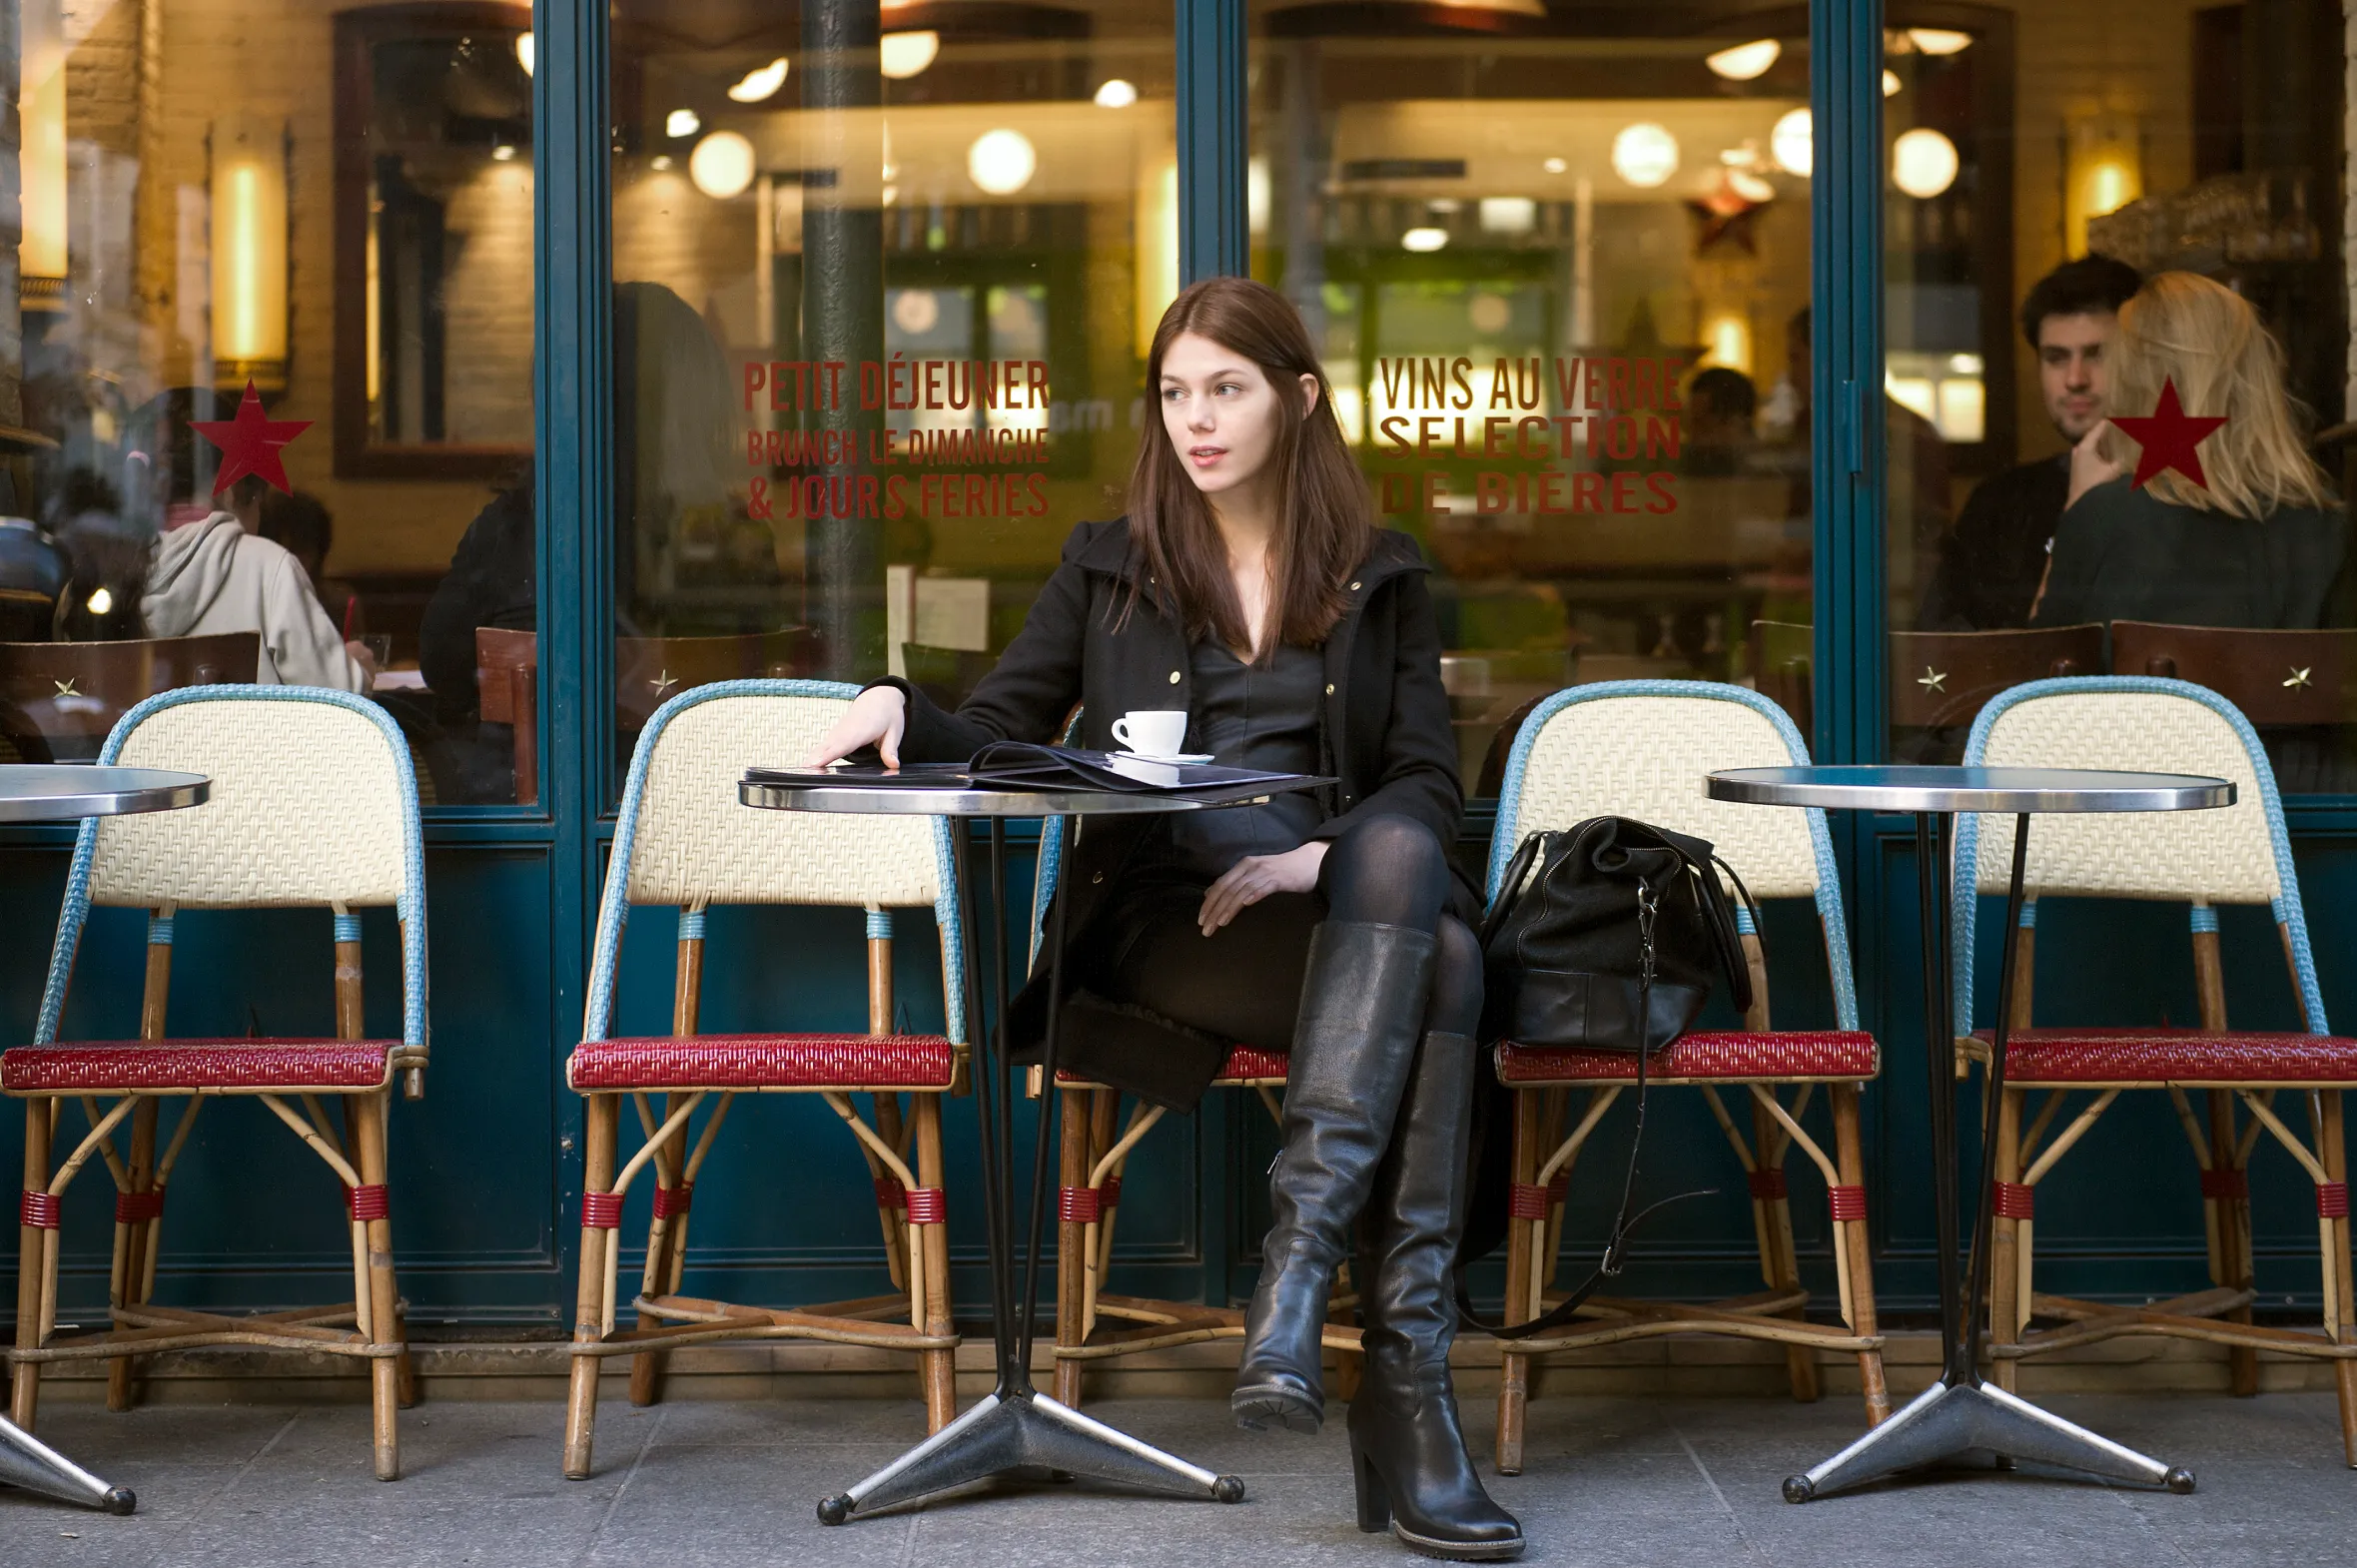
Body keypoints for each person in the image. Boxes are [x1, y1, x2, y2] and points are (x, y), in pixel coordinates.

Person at [807, 277, 1522, 1561]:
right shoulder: (1109, 563)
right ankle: (1395, 1388)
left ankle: (1312, 1282)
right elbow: (1006, 726)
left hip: (1336, 910)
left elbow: (1423, 778)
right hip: (1165, 926)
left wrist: (1317, 857)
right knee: (1447, 965)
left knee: (1416, 881)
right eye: (1175, 392)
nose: (1196, 420)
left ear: (1296, 399)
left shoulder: (1381, 573)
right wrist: (892, 703)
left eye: (1226, 389)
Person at [2033, 271, 2349, 630]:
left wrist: (2075, 506)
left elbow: (2040, 669)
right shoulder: (2327, 526)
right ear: (2258, 378)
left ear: (2133, 382)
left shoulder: (2099, 517)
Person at [1920, 254, 2143, 629]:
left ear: (2145, 361)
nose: (2075, 378)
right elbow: (1943, 650)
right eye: (2056, 358)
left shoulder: (2182, 493)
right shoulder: (1999, 504)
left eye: (2098, 354)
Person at [115, 389, 374, 689]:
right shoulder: (268, 568)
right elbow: (338, 702)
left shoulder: (101, 572)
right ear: (232, 488)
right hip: (251, 738)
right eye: (257, 500)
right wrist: (356, 669)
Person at [259, 487, 365, 639]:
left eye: (301, 551)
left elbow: (355, 657)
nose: (292, 561)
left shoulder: (340, 605)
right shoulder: (251, 606)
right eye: (282, 550)